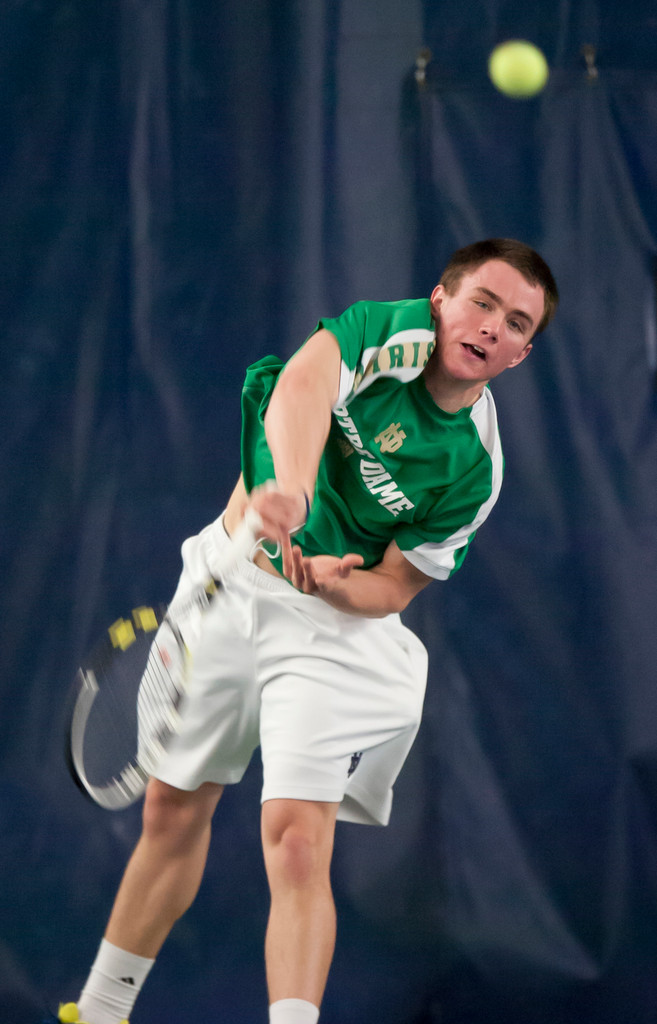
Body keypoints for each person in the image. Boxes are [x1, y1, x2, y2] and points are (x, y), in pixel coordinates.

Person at [49, 238, 558, 1024]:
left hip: (329, 634)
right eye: (481, 303)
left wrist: (339, 584)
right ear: (439, 301)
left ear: (521, 354)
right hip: (231, 576)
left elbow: (397, 583)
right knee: (171, 811)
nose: (492, 326)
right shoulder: (385, 334)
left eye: (516, 322)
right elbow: (303, 383)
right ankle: (102, 1012)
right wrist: (287, 488)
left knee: (292, 838)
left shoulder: (475, 467)